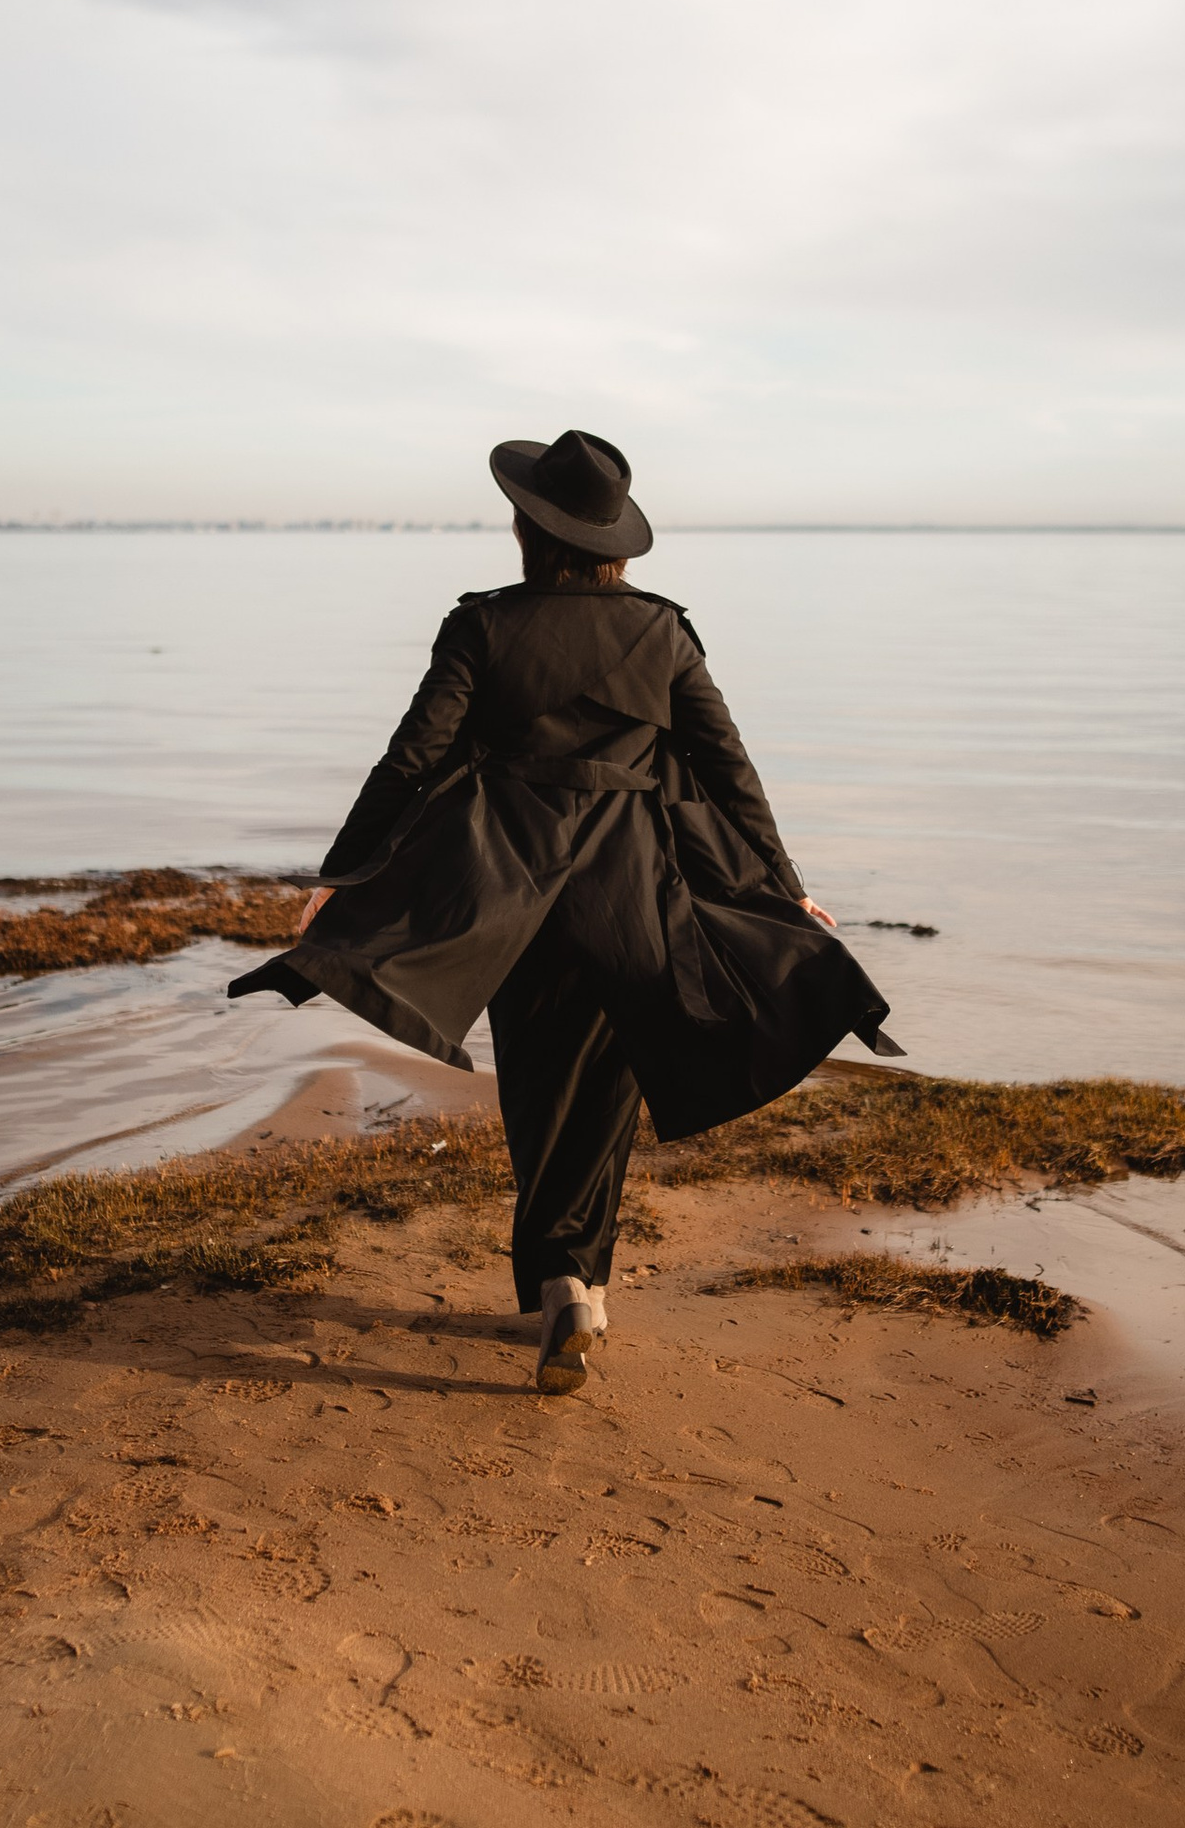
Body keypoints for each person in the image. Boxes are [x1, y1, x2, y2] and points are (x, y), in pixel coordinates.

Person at [230, 428, 900, 1395]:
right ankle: (578, 1281)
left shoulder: (482, 625)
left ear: (525, 526)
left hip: (509, 886)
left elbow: (411, 759)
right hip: (636, 886)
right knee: (607, 1090)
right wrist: (782, 882)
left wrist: (345, 874)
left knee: (538, 1084)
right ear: (613, 540)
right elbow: (727, 766)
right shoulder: (663, 630)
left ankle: (563, 1282)